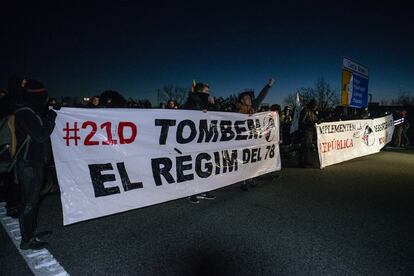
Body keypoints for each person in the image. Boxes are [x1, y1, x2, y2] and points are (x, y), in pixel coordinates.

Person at [14, 79, 57, 250]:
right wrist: (51, 119)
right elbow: (40, 135)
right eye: (43, 96)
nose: (46, 99)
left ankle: (31, 232)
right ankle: (27, 240)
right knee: (29, 202)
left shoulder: (31, 111)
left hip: (34, 162)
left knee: (32, 201)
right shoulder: (25, 112)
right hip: (29, 164)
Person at [236, 78, 275, 191]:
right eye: (246, 98)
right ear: (242, 101)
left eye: (249, 98)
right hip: (241, 140)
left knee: (251, 160)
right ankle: (243, 182)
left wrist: (268, 86)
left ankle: (250, 179)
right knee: (243, 161)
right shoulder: (236, 111)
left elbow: (261, 97)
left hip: (252, 139)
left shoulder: (253, 108)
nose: (249, 99)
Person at [183, 82, 216, 203]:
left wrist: (212, 105)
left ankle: (204, 189)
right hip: (192, 139)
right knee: (193, 165)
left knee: (204, 164)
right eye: (206, 92)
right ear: (200, 92)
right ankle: (191, 192)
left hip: (204, 138)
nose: (208, 94)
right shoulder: (191, 101)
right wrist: (207, 105)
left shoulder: (204, 101)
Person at [298, 99, 318, 168]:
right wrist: (310, 123)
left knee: (308, 147)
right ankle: (301, 162)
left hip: (310, 131)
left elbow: (315, 119)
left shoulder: (312, 112)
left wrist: (318, 121)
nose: (316, 107)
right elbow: (302, 121)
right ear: (312, 105)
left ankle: (306, 160)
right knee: (304, 147)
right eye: (315, 105)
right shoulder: (305, 111)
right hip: (305, 131)